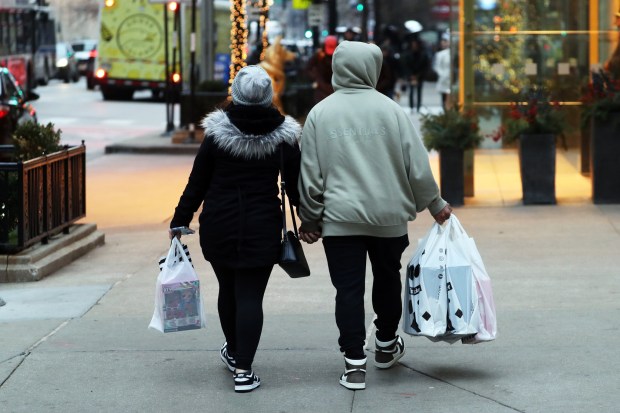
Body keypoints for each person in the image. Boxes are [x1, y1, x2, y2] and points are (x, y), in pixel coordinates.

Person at [297, 41, 452, 391]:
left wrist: (310, 218)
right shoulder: (392, 111)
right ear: (374, 68)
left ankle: (354, 364)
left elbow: (310, 175)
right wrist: (435, 203)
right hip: (388, 218)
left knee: (347, 291)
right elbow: (417, 166)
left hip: (339, 221)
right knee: (387, 279)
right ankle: (385, 346)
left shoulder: (320, 114)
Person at [169, 65, 302, 393]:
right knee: (250, 296)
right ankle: (243, 368)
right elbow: (296, 185)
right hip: (262, 225)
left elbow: (197, 181)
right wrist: (311, 219)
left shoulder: (216, 133)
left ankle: (234, 351)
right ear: (269, 95)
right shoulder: (284, 135)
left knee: (228, 291)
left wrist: (180, 219)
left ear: (236, 94)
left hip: (220, 223)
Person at [400, 37, 430, 113]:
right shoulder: (408, 54)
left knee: (419, 92)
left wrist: (418, 75)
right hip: (411, 76)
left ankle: (418, 107)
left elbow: (425, 66)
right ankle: (412, 106)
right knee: (411, 91)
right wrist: (410, 75)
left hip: (419, 76)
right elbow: (405, 65)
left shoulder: (423, 54)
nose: (414, 46)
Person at [306, 35, 338, 104]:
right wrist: (315, 78)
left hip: (335, 88)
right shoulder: (319, 55)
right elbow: (308, 68)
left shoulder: (339, 55)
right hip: (321, 88)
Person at [434, 34, 451, 110]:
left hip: (452, 78)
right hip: (444, 78)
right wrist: (442, 74)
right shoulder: (440, 54)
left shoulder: (454, 52)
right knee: (444, 97)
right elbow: (437, 66)